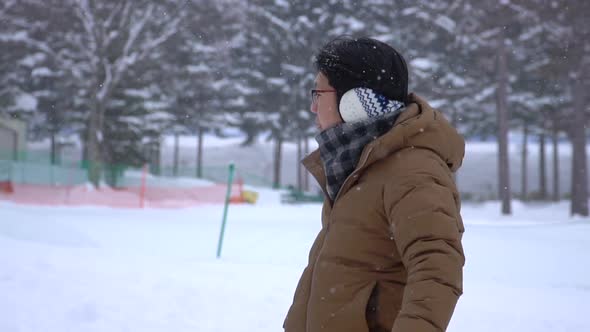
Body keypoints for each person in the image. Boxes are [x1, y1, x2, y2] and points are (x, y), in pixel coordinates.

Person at [283, 36, 466, 332]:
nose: (313, 108)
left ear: (354, 102)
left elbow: (437, 268)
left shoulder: (412, 171)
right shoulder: (356, 166)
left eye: (318, 94)